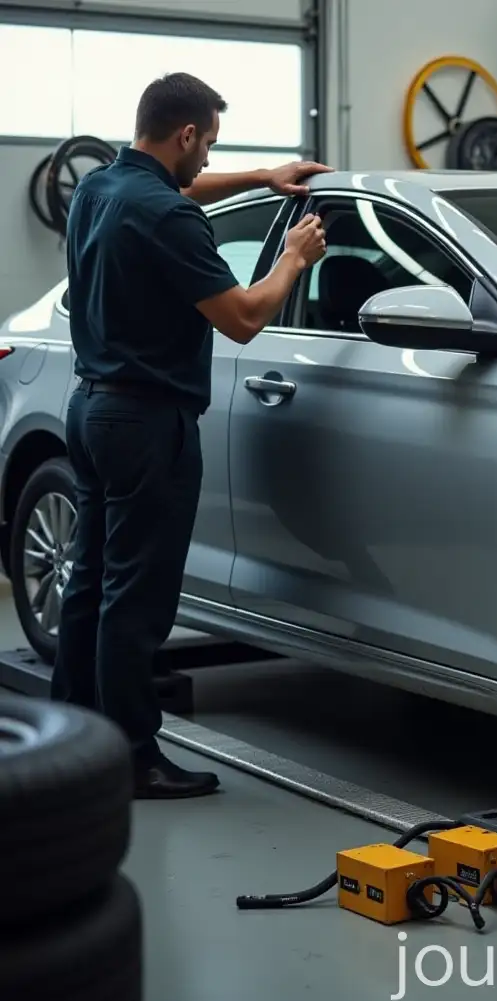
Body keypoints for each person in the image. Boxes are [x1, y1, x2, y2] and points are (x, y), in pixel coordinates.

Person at [50, 71, 329, 799]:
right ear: (184, 135)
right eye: (207, 144)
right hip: (148, 425)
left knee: (91, 584)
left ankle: (76, 734)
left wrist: (266, 175)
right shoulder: (168, 217)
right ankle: (135, 756)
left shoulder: (99, 189)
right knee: (135, 603)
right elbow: (241, 317)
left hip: (91, 410)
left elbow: (177, 192)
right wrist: (293, 256)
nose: (209, 159)